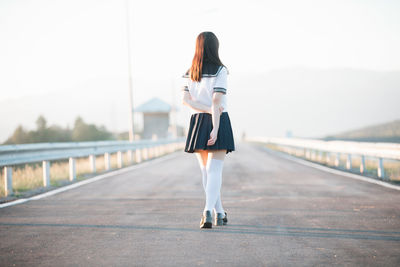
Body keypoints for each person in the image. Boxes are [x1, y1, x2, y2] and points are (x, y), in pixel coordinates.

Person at [181, 31, 235, 229]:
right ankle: (207, 211)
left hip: (197, 122)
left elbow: (186, 101)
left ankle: (218, 212)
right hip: (217, 119)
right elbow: (216, 101)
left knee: (206, 170)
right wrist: (216, 125)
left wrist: (204, 111)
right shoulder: (220, 70)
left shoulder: (190, 72)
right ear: (215, 47)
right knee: (215, 170)